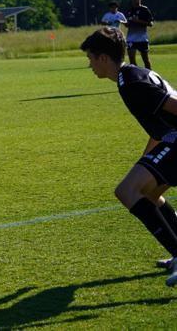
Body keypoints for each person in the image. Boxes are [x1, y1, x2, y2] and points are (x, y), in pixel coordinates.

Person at [80, 27, 177, 286]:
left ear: (103, 58)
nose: (89, 65)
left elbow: (174, 106)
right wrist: (145, 160)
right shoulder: (131, 77)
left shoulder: (130, 81)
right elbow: (159, 126)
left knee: (127, 191)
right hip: (171, 139)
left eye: (90, 58)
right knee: (149, 193)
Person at [124, 0, 154, 70]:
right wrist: (126, 24)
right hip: (131, 39)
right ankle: (136, 78)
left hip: (142, 39)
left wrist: (138, 21)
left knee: (146, 60)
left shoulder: (144, 9)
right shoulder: (129, 10)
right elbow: (129, 24)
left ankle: (150, 77)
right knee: (132, 61)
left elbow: (151, 23)